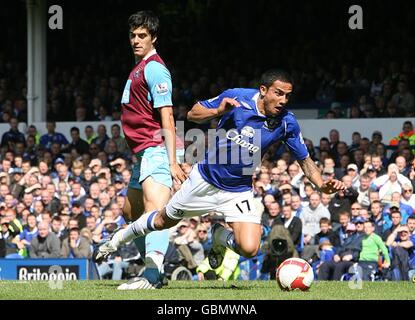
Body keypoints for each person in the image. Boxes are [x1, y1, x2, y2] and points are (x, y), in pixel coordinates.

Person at [94, 69, 346, 276]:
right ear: (263, 90)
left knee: (249, 248)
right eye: (278, 94)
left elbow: (305, 160)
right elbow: (192, 114)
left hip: (238, 190)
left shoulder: (287, 122)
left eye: (287, 96)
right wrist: (217, 110)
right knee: (162, 220)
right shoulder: (237, 98)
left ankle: (219, 236)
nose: (283, 101)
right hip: (204, 180)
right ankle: (116, 240)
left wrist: (321, 185)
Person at [98, 11, 186, 290]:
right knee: (131, 212)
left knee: (155, 211)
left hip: (159, 148)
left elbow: (168, 116)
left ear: (154, 38)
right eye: (133, 35)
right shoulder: (138, 68)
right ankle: (154, 269)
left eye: (142, 36)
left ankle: (151, 275)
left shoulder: (155, 68)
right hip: (144, 153)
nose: (136, 40)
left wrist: (173, 162)